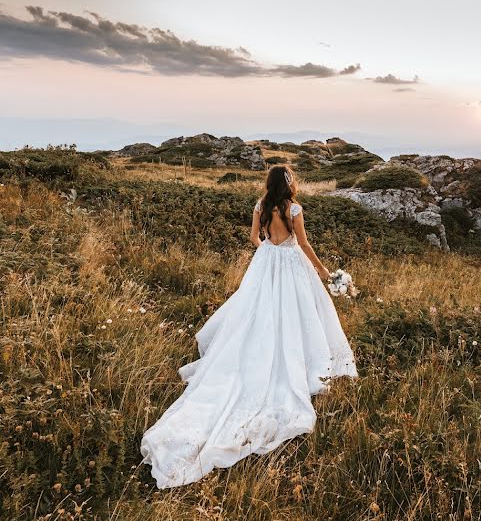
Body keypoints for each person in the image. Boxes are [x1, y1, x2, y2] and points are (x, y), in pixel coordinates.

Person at [140, 165, 358, 488]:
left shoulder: (260, 205)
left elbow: (253, 238)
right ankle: (304, 363)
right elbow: (305, 245)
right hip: (292, 266)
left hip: (266, 264)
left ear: (269, 184)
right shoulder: (294, 209)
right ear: (290, 184)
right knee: (299, 316)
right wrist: (328, 275)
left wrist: (268, 250)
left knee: (256, 314)